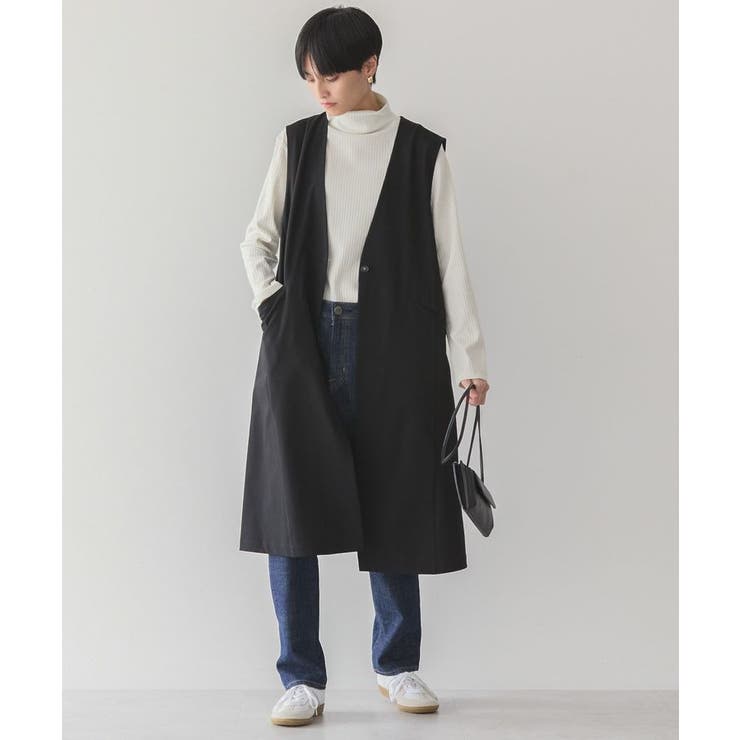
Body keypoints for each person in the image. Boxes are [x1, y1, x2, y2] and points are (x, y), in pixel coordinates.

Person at [238, 6, 490, 727]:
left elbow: (449, 260)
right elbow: (257, 240)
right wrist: (275, 309)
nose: (319, 89)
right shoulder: (298, 143)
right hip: (303, 342)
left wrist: (470, 357)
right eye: (309, 77)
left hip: (398, 348)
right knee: (292, 508)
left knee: (398, 503)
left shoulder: (421, 151)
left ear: (370, 66)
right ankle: (300, 678)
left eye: (331, 75)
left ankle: (397, 665)